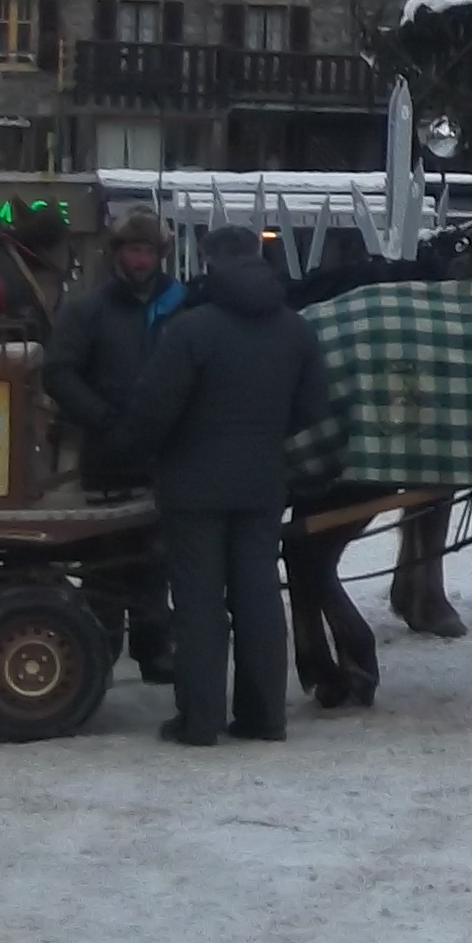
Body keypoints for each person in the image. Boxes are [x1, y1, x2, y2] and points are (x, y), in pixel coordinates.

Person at [112, 231, 324, 747]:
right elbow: (313, 409)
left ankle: (200, 719)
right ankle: (264, 715)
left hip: (192, 487)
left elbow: (153, 410)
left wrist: (132, 455)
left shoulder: (191, 331)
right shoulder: (296, 331)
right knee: (258, 597)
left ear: (213, 269)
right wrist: (264, 437)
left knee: (199, 603)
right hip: (261, 484)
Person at [49, 208, 183, 678]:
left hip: (162, 455)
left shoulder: (180, 305)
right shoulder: (88, 310)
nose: (140, 260)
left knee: (155, 560)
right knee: (104, 561)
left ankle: (153, 648)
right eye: (133, 250)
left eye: (148, 251)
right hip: (106, 454)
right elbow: (59, 372)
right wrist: (101, 418)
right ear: (117, 253)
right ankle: (98, 648)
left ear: (160, 255)